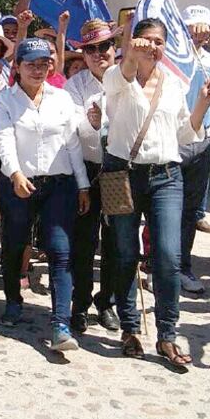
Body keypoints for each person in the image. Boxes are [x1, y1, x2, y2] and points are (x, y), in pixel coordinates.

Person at [103, 18, 210, 367]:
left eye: (159, 42)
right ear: (135, 42)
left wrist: (201, 102)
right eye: (146, 40)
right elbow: (121, 77)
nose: (153, 47)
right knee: (124, 252)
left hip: (166, 175)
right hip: (122, 173)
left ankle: (167, 333)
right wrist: (129, 51)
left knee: (168, 254)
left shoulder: (175, 83)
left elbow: (185, 133)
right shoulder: (116, 77)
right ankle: (131, 327)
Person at [0, 38, 90, 351]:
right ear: (17, 67)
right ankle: (13, 300)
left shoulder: (62, 99)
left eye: (44, 64)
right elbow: (4, 140)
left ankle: (61, 323)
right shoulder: (4, 101)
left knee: (60, 251)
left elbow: (72, 143)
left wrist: (83, 184)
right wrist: (16, 173)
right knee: (15, 243)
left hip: (58, 185)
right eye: (30, 64)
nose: (38, 70)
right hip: (18, 184)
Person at [64, 18, 120, 333]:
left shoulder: (128, 79)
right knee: (84, 241)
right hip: (86, 168)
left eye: (104, 46)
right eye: (91, 49)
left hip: (116, 168)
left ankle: (107, 301)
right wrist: (94, 125)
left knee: (115, 240)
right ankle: (80, 302)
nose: (99, 54)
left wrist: (105, 124)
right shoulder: (76, 85)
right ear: (83, 54)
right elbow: (74, 129)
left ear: (115, 48)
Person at [177, 6, 210, 295]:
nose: (197, 33)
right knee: (165, 207)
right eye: (191, 27)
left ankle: (183, 266)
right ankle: (155, 263)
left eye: (201, 28)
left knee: (190, 210)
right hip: (174, 139)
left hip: (203, 141)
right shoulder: (172, 58)